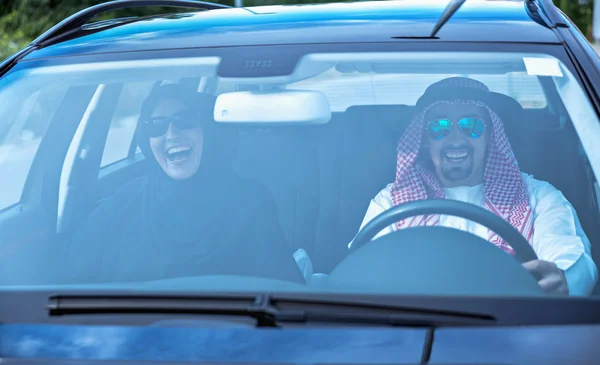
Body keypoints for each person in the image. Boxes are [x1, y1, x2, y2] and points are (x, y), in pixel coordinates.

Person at [352, 77, 598, 296]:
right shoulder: (391, 202)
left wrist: (562, 279)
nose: (456, 139)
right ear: (424, 140)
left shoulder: (539, 197)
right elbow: (362, 270)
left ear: (491, 134)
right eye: (439, 128)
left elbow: (571, 258)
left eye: (471, 126)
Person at [64, 84, 304, 284]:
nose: (171, 134)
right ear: (146, 139)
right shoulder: (124, 202)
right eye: (156, 125)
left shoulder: (250, 202)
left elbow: (286, 293)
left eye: (185, 120)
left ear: (209, 131)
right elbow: (72, 282)